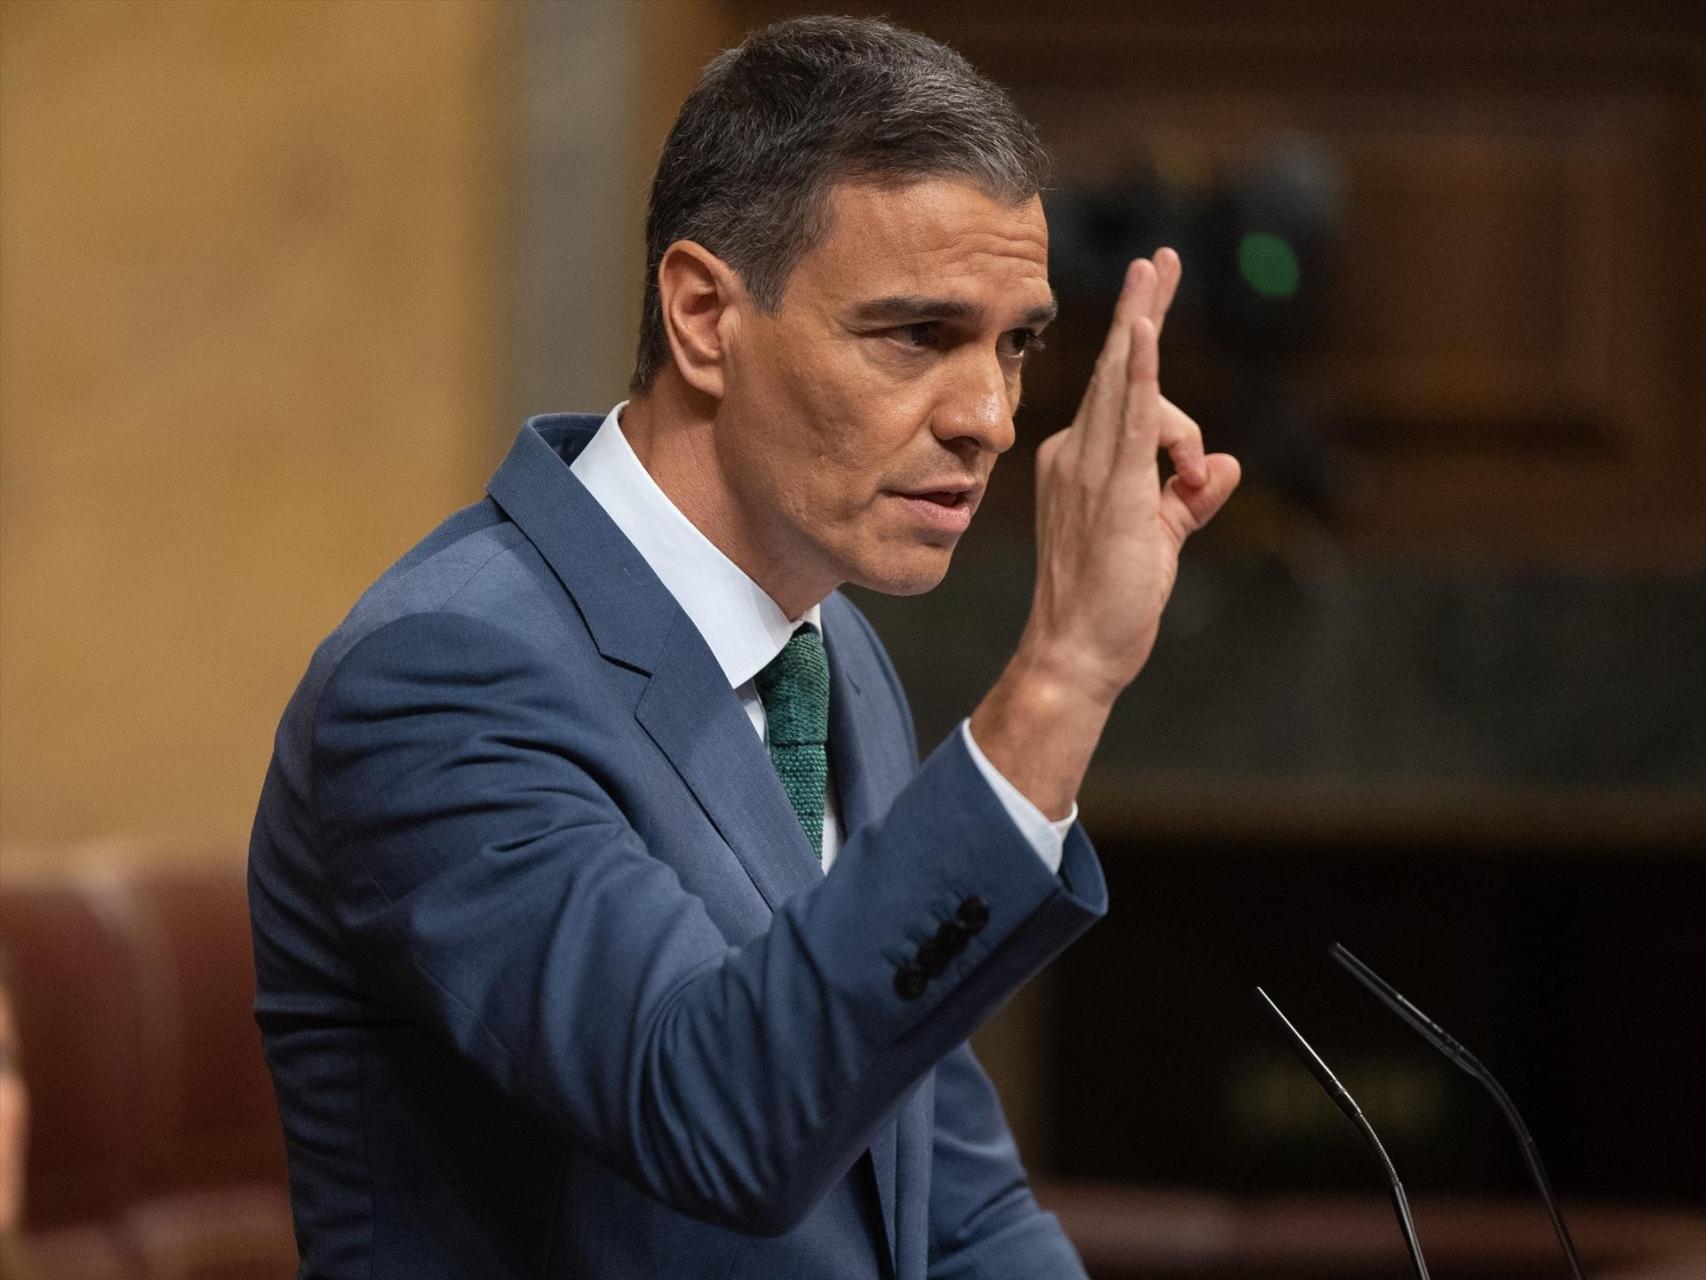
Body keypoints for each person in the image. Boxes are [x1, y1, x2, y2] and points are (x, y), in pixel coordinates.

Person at [249, 15, 1238, 1279]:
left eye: (1015, 344)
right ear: (706, 313)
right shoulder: (441, 676)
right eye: (916, 335)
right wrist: (1059, 679)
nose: (990, 417)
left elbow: (952, 1203)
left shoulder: (833, 659)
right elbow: (714, 1112)